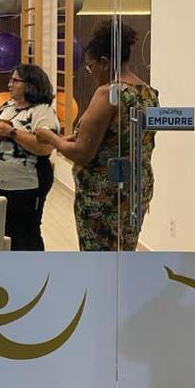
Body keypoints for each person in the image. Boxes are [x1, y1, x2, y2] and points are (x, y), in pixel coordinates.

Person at [36, 20, 159, 251]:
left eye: (90, 66)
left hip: (105, 195)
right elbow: (122, 139)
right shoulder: (148, 93)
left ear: (104, 62)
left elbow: (83, 153)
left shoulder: (108, 94)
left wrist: (52, 138)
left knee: (99, 260)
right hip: (136, 189)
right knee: (124, 255)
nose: (90, 72)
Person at [0, 63, 59, 251]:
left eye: (15, 81)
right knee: (6, 230)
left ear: (30, 85)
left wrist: (12, 132)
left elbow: (45, 148)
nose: (10, 84)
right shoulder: (6, 105)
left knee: (26, 233)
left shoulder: (42, 111)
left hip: (27, 185)